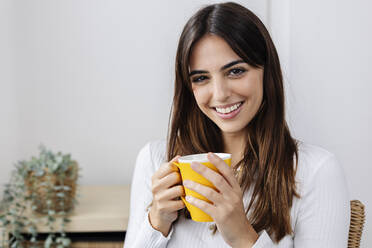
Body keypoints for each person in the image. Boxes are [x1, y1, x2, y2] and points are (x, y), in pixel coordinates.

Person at [123, 2, 350, 247]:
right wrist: (157, 221)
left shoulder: (315, 171)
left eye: (235, 71)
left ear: (266, 71)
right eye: (201, 78)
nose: (219, 94)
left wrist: (242, 235)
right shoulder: (156, 160)